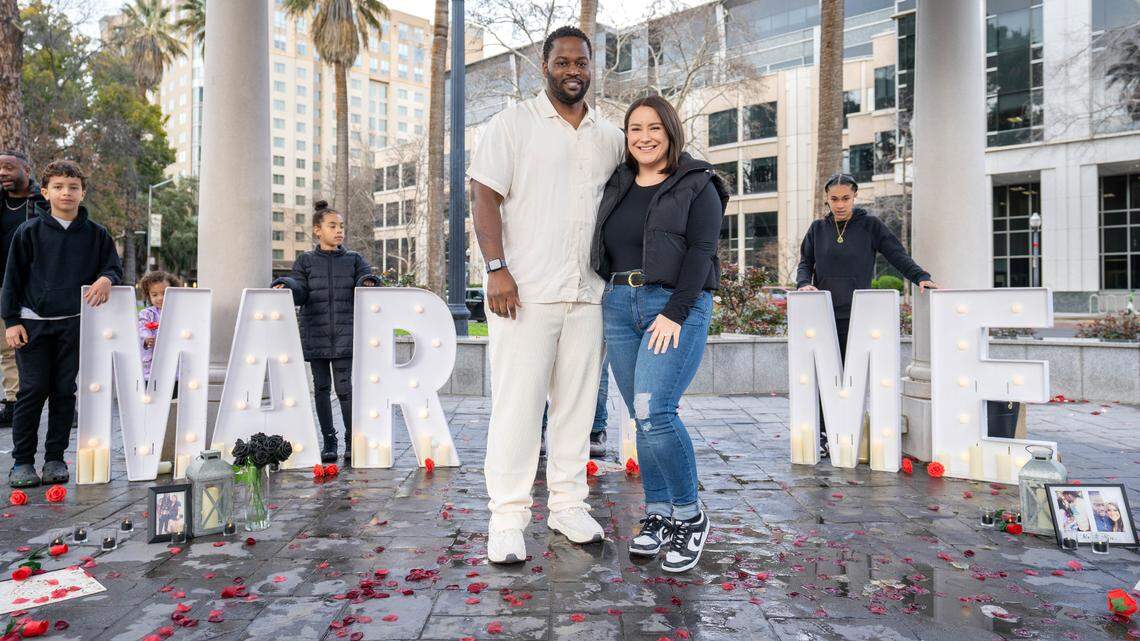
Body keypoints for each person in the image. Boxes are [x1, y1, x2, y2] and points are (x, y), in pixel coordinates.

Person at [468, 26, 625, 564]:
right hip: (525, 293)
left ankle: (567, 506)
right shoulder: (512, 124)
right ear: (545, 66)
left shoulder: (610, 134)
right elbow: (483, 193)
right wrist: (496, 268)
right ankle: (507, 517)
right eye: (563, 62)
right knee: (516, 408)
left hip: (589, 295)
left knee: (577, 411)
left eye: (582, 62)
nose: (574, 71)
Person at [591, 95, 728, 573]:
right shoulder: (619, 183)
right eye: (634, 129)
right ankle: (658, 513)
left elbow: (702, 252)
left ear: (670, 131)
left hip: (672, 305)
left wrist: (675, 310)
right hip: (618, 302)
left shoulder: (698, 184)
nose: (644, 137)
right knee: (638, 415)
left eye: (653, 128)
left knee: (656, 410)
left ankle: (690, 517)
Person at [795, 173, 937, 457]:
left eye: (845, 198)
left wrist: (919, 276)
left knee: (852, 377)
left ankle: (850, 431)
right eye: (834, 199)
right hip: (822, 315)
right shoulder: (817, 229)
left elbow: (896, 254)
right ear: (827, 198)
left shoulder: (870, 226)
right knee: (825, 378)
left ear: (855, 197)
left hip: (857, 315)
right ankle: (825, 435)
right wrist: (803, 284)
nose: (839, 204)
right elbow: (805, 263)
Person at [3, 160, 122, 487]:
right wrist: (11, 321)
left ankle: (55, 458)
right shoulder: (28, 232)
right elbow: (11, 280)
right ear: (45, 192)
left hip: (73, 325)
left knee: (63, 392)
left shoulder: (97, 234)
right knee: (32, 390)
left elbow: (113, 267)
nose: (66, 193)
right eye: (58, 187)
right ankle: (22, 462)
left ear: (82, 192)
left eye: (72, 187)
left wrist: (106, 279)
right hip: (33, 324)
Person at [272, 200, 379, 464]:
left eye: (341, 226)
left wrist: (368, 281)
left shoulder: (354, 259)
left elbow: (365, 280)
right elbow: (300, 292)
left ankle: (352, 441)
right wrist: (286, 285)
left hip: (345, 333)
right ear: (317, 230)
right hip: (316, 331)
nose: (339, 230)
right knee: (321, 388)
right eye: (332, 226)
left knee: (345, 389)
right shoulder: (305, 260)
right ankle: (329, 440)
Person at [0, 151, 45, 428]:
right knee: (6, 347)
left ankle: (62, 399)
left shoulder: (44, 201)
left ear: (26, 169)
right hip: (2, 284)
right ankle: (12, 403)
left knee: (41, 344)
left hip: (35, 284)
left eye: (8, 167)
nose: (2, 172)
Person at [138, 271, 182, 381]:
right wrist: (146, 338)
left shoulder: (177, 313)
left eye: (165, 293)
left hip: (172, 359)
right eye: (155, 295)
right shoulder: (147, 313)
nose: (160, 298)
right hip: (151, 363)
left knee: (172, 383)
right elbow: (142, 327)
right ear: (148, 295)